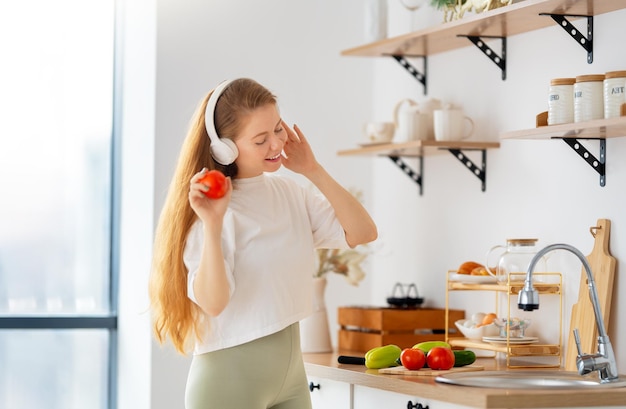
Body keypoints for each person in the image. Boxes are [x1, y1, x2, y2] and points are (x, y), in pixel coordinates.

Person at [149, 78, 377, 408]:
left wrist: (312, 170)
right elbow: (213, 303)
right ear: (225, 149)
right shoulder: (212, 210)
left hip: (291, 376)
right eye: (260, 139)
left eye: (278, 129)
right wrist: (213, 226)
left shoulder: (291, 194)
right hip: (228, 381)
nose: (276, 145)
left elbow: (363, 232)